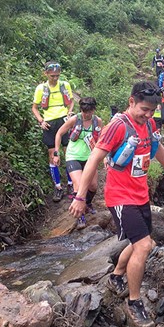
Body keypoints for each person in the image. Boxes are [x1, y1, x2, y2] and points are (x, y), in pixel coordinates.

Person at [69, 81, 164, 327]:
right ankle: (134, 301)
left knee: (144, 242)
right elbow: (93, 160)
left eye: (153, 110)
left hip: (141, 195)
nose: (148, 115)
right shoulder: (117, 126)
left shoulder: (148, 123)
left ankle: (117, 275)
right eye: (143, 109)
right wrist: (80, 196)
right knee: (142, 246)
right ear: (131, 102)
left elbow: (156, 146)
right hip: (120, 197)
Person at [53, 97, 103, 228]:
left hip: (90, 157)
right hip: (73, 156)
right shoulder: (75, 119)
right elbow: (59, 133)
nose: (87, 114)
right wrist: (56, 152)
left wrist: (105, 157)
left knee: (93, 186)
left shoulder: (97, 121)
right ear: (81, 110)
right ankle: (80, 217)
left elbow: (102, 139)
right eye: (84, 112)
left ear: (93, 110)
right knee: (79, 185)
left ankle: (87, 203)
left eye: (89, 112)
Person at [32, 61, 75, 202]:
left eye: (57, 75)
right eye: (52, 76)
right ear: (46, 74)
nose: (55, 78)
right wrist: (41, 121)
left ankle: (71, 183)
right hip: (49, 123)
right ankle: (58, 187)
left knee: (68, 152)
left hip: (64, 120)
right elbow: (35, 107)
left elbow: (71, 102)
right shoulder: (41, 88)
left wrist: (69, 113)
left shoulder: (65, 85)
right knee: (52, 155)